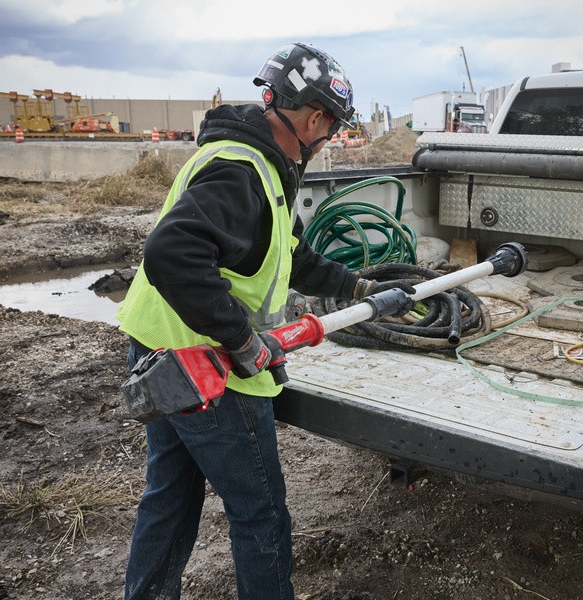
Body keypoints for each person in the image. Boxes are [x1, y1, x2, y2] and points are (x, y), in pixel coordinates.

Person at [117, 42, 414, 600]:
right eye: (333, 127)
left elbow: (289, 254)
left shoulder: (256, 162)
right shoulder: (242, 172)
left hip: (158, 351)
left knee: (170, 498)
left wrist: (359, 288)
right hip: (208, 370)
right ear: (315, 119)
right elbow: (171, 253)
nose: (330, 140)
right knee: (261, 514)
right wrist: (241, 340)